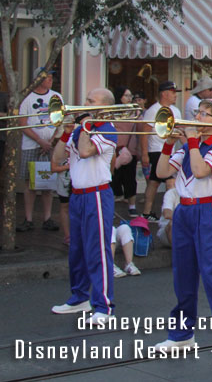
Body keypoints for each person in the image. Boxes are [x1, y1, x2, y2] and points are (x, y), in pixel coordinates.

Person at [152, 96, 212, 369]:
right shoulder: (188, 147)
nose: (198, 117)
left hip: (207, 211)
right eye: (198, 112)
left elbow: (200, 170)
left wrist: (191, 140)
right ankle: (182, 335)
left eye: (205, 114)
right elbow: (161, 172)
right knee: (182, 277)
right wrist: (170, 142)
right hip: (184, 212)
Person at [49, 88, 118, 324]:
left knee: (97, 250)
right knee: (76, 249)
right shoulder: (81, 130)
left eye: (90, 101)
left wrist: (84, 126)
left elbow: (87, 151)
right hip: (77, 195)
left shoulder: (107, 130)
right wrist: (66, 132)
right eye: (86, 99)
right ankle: (79, 297)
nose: (85, 103)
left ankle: (104, 305)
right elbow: (57, 159)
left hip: (97, 195)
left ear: (104, 108)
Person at [17, 67, 61, 232]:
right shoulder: (27, 99)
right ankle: (28, 219)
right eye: (47, 76)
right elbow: (23, 123)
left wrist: (50, 141)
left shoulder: (56, 97)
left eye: (51, 76)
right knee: (30, 183)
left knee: (47, 183)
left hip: (49, 145)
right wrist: (39, 140)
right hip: (31, 145)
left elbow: (59, 122)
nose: (50, 79)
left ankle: (47, 218)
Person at [140, 80, 181, 221]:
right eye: (172, 92)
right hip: (157, 150)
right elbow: (145, 132)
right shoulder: (153, 110)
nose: (175, 95)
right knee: (171, 181)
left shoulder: (176, 111)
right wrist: (144, 154)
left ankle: (146, 212)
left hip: (170, 151)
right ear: (164, 94)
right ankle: (170, 212)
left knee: (154, 181)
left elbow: (179, 132)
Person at [110, 85, 142, 217]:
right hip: (114, 150)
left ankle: (132, 206)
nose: (129, 98)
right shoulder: (111, 111)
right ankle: (110, 206)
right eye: (126, 96)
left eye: (130, 96)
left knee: (130, 178)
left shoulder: (135, 111)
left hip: (130, 149)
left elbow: (140, 128)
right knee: (112, 178)